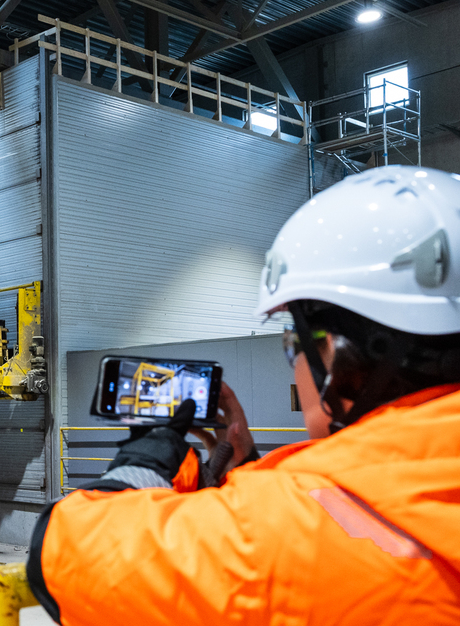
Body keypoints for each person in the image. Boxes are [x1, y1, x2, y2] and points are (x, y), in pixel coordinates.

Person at [26, 166, 460, 624]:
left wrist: (148, 458)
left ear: (336, 352)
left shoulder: (288, 530)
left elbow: (65, 551)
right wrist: (246, 468)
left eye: (293, 344)